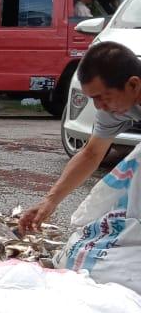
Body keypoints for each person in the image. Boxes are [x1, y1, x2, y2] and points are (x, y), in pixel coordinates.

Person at [21, 41, 141, 232]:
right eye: (93, 98)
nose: (99, 106)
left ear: (133, 84)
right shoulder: (111, 108)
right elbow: (91, 153)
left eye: (103, 96)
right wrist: (50, 201)